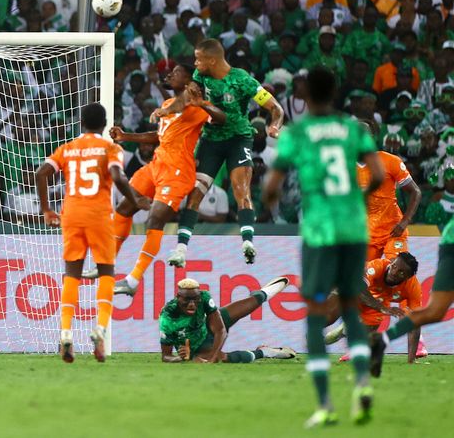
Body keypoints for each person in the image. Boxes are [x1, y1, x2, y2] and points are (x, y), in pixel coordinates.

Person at [262, 67, 385, 428]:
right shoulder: (352, 129)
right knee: (350, 309)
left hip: (319, 230)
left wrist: (271, 199)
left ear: (305, 93)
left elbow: (273, 186)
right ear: (334, 92)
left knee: (317, 315)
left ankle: (326, 404)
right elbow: (376, 174)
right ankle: (363, 386)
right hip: (352, 227)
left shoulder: (298, 133)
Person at [92, 65, 226, 297]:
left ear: (188, 81)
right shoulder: (166, 106)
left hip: (177, 172)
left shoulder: (196, 108)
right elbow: (159, 136)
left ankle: (133, 280)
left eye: (176, 72)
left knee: (154, 220)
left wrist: (203, 104)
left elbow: (222, 118)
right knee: (124, 207)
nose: (170, 74)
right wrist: (127, 136)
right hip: (155, 166)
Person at [35, 103, 150, 363]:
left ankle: (65, 332)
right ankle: (100, 328)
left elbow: (41, 173)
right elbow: (118, 177)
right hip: (98, 215)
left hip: (72, 214)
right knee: (107, 272)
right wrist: (136, 199)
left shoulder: (68, 148)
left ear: (81, 122)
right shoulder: (112, 148)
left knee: (72, 273)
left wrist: (46, 210)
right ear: (104, 122)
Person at [167, 38, 284, 267]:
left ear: (212, 60)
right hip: (211, 140)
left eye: (198, 59)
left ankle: (248, 243)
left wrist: (274, 126)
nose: (195, 63)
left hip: (238, 139)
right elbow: (187, 99)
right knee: (196, 192)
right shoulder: (200, 77)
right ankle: (181, 250)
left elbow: (275, 108)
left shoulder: (242, 80)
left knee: (241, 189)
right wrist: (166, 110)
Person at [370, 217, 454, 377]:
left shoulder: (411, 285)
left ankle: (382, 341)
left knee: (435, 312)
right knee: (435, 311)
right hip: (452, 242)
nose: (396, 273)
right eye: (396, 269)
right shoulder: (377, 267)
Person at [160, 277, 295, 363]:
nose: (191, 304)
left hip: (209, 326)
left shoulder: (205, 297)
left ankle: (264, 293)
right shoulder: (167, 316)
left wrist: (212, 358)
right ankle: (265, 352)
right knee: (221, 358)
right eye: (187, 300)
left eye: (195, 299)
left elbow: (220, 330)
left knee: (251, 302)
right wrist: (179, 358)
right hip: (197, 348)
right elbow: (166, 356)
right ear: (178, 297)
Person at [325, 253, 423, 364]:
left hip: (376, 301)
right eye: (394, 266)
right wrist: (383, 309)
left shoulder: (413, 288)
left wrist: (411, 361)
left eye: (401, 272)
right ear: (391, 262)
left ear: (408, 277)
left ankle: (342, 331)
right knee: (331, 314)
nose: (394, 272)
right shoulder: (377, 266)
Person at [357, 123, 421, 261]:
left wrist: (405, 222)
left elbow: (415, 192)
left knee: (396, 271)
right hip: (366, 235)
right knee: (366, 278)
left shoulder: (390, 160)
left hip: (393, 230)